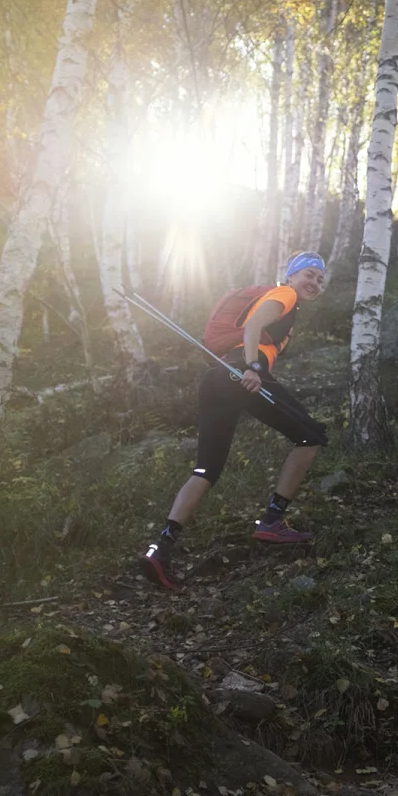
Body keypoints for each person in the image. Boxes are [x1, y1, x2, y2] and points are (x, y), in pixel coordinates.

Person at [140, 251, 330, 589]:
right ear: (291, 276)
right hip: (240, 375)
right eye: (309, 274)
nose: (314, 282)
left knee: (205, 470)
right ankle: (273, 520)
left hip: (217, 379)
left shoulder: (285, 303)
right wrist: (253, 368)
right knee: (311, 437)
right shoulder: (284, 295)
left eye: (319, 278)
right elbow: (254, 324)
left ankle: (161, 548)